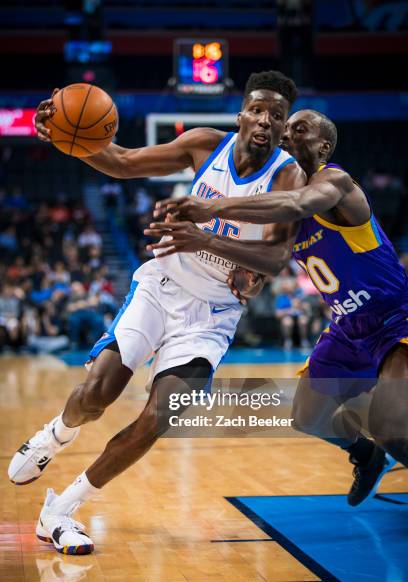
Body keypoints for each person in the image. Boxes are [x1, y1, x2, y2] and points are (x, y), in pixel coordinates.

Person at [8, 71, 306, 555]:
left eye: (276, 115)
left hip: (212, 314)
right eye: (257, 109)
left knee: (162, 413)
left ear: (284, 123)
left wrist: (207, 238)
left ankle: (60, 510)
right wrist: (67, 138)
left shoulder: (288, 175)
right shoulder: (206, 144)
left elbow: (276, 258)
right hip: (162, 287)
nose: (265, 121)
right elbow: (123, 161)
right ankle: (54, 435)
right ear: (241, 114)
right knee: (98, 395)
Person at [147, 108, 408, 504]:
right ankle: (367, 456)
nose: (284, 136)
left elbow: (295, 202)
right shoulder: (283, 213)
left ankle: (384, 445)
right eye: (284, 131)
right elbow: (268, 259)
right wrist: (248, 274)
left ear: (324, 146)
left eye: (298, 130)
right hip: (348, 327)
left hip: (394, 316)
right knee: (307, 416)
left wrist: (215, 207)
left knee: (391, 427)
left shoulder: (335, 181)